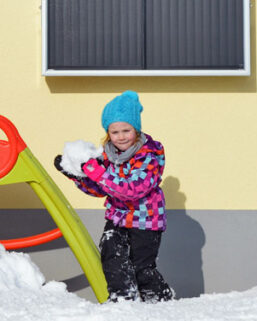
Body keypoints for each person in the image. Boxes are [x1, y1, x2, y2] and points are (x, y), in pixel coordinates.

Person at [54, 90, 174, 303]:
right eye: (115, 132)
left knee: (141, 269)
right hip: (118, 218)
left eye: (126, 130)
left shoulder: (148, 156)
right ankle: (122, 300)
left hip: (146, 221)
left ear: (136, 130)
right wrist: (76, 176)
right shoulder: (109, 155)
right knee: (111, 256)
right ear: (108, 133)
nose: (121, 137)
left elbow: (131, 189)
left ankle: (160, 301)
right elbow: (102, 188)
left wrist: (98, 173)